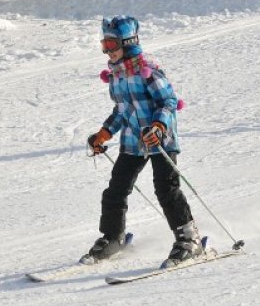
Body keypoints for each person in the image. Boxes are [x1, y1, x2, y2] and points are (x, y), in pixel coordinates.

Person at [84, 15, 202, 267]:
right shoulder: (116, 75)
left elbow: (169, 102)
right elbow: (121, 110)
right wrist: (104, 133)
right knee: (116, 188)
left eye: (112, 44)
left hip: (160, 139)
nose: (107, 50)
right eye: (104, 44)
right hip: (132, 141)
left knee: (166, 189)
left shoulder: (147, 69)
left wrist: (159, 126)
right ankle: (113, 236)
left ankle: (188, 240)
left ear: (127, 43)